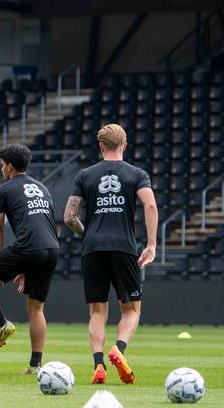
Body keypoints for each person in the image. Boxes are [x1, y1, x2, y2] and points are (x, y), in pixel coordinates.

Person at [63, 123, 158, 385]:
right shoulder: (137, 174)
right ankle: (119, 349)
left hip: (92, 249)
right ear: (125, 145)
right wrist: (151, 245)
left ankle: (98, 364)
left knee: (97, 311)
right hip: (124, 247)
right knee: (131, 309)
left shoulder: (85, 175)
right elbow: (150, 204)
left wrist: (88, 233)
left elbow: (69, 217)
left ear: (101, 146)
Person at [0, 144, 60, 375]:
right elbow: (43, 224)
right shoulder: (43, 188)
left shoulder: (3, 191)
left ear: (9, 166)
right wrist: (23, 266)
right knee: (36, 308)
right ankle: (35, 365)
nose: (1, 168)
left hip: (29, 248)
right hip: (51, 248)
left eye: (2, 164)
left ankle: (1, 323)